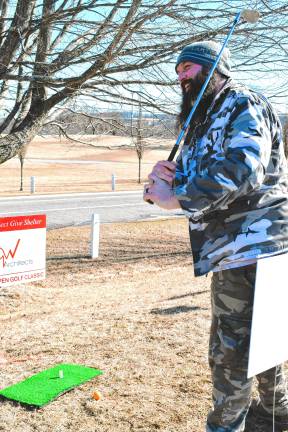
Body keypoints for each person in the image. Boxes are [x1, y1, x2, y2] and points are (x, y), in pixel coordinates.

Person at [143, 41, 288, 431]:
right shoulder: (204, 120)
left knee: (232, 353)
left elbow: (245, 166)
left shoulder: (241, 102)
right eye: (177, 72)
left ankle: (228, 426)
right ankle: (276, 414)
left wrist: (178, 197)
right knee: (264, 343)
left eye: (189, 68)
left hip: (256, 245)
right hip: (235, 249)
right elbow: (215, 172)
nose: (181, 77)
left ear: (215, 67)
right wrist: (174, 177)